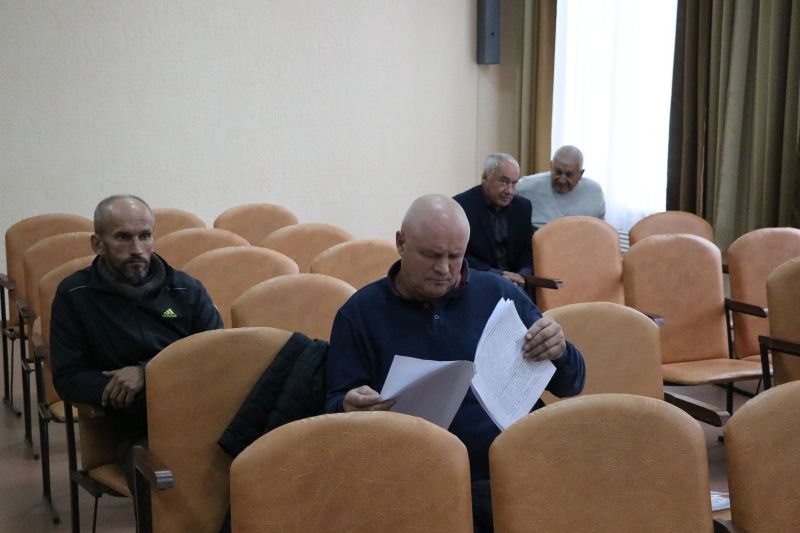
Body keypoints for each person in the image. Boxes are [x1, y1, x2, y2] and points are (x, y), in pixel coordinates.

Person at [325, 194, 585, 532]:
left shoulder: (497, 293)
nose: (445, 269)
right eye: (431, 255)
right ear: (401, 243)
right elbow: (334, 409)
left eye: (455, 256)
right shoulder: (360, 314)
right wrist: (348, 405)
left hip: (515, 465)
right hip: (417, 475)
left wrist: (560, 350)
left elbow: (572, 384)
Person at [50, 195, 223, 532]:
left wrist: (146, 373)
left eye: (145, 236)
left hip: (202, 420)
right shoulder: (75, 296)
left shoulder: (186, 290)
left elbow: (216, 360)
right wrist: (122, 388)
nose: (137, 249)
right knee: (164, 484)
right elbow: (68, 377)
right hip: (137, 429)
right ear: (98, 244)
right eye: (123, 238)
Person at [454, 153, 533, 290]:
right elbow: (459, 255)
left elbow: (528, 250)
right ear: (485, 178)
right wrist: (497, 275)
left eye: (514, 183)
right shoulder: (461, 206)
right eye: (504, 181)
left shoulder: (523, 207)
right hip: (477, 282)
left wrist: (522, 274)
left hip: (517, 285)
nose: (509, 191)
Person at [517, 145, 605, 229]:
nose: (562, 180)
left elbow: (600, 230)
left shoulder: (594, 193)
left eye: (569, 175)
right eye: (558, 172)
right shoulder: (526, 186)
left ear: (580, 174)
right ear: (551, 166)